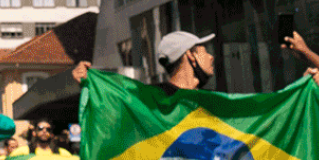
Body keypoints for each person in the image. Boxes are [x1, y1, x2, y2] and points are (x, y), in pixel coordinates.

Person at [73, 31, 215, 93]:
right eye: (205, 51)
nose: (211, 57)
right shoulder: (153, 100)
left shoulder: (212, 102)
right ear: (190, 55)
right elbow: (115, 104)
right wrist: (89, 83)